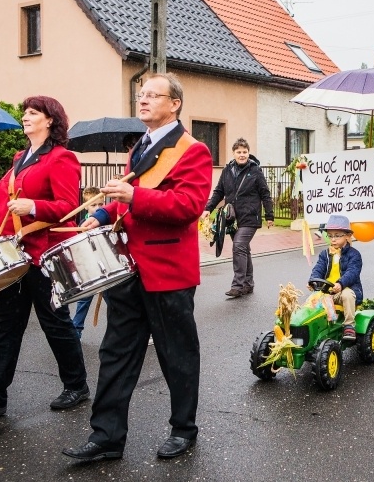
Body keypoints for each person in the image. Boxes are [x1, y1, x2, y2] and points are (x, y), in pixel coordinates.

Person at [63, 72, 212, 462]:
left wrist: (133, 196)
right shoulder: (141, 146)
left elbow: (187, 207)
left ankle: (183, 430)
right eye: (140, 94)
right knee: (116, 353)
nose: (142, 100)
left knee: (177, 356)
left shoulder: (193, 150)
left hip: (168, 271)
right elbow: (130, 198)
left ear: (174, 104)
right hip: (128, 268)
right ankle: (106, 438)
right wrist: (102, 213)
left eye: (152, 95)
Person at [0, 96, 89, 418]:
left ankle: (77, 385)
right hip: (15, 256)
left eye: (33, 113)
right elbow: (6, 202)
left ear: (50, 120)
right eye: (25, 112)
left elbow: (69, 207)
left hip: (44, 255)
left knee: (55, 324)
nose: (25, 117)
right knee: (5, 327)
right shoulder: (20, 157)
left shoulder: (62, 158)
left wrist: (33, 206)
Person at [201, 138, 274, 298]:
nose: (242, 155)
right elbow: (219, 192)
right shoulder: (227, 170)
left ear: (248, 153)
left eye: (244, 152)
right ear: (233, 153)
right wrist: (208, 209)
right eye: (239, 152)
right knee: (243, 249)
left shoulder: (255, 171)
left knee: (239, 245)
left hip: (250, 217)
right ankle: (248, 284)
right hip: (232, 218)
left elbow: (265, 194)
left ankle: (238, 285)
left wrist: (269, 215)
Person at [308, 214, 363, 340]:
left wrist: (341, 283)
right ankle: (312, 328)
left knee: (347, 295)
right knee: (311, 300)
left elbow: (352, 272)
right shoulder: (325, 254)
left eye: (337, 236)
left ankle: (349, 325)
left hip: (344, 290)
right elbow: (318, 268)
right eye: (330, 236)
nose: (333, 239)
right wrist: (313, 281)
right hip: (327, 291)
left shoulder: (354, 255)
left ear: (348, 236)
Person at [71, 186, 104, 337]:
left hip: (105, 267)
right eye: (93, 205)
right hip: (90, 269)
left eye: (101, 204)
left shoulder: (106, 221)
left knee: (115, 302)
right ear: (86, 206)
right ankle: (76, 331)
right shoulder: (82, 225)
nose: (98, 208)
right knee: (84, 301)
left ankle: (119, 332)